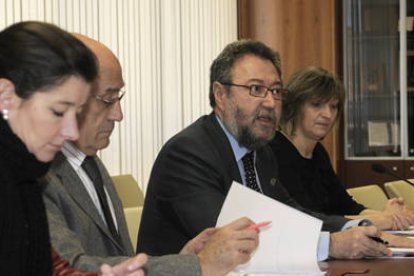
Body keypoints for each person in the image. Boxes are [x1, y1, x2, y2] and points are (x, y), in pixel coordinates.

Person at [137, 39, 394, 259]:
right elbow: (230, 239)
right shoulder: (188, 153)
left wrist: (356, 225)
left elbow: (293, 215)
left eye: (275, 90)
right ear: (220, 94)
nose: (270, 102)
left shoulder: (260, 153)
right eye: (256, 89)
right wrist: (331, 245)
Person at [42, 33, 259, 276]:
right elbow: (70, 268)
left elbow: (122, 261)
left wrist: (184, 258)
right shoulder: (38, 175)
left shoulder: (91, 164)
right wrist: (198, 265)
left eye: (119, 98)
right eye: (108, 99)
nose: (118, 114)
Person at [0, 21, 147, 275]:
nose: (72, 131)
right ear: (5, 96)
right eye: (58, 111)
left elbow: (52, 268)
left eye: (77, 112)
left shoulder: (25, 171)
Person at [268, 66, 414, 230]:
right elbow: (307, 219)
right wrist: (380, 220)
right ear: (295, 106)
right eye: (317, 105)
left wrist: (392, 217)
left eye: (334, 106)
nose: (328, 114)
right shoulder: (274, 151)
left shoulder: (318, 153)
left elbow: (347, 207)